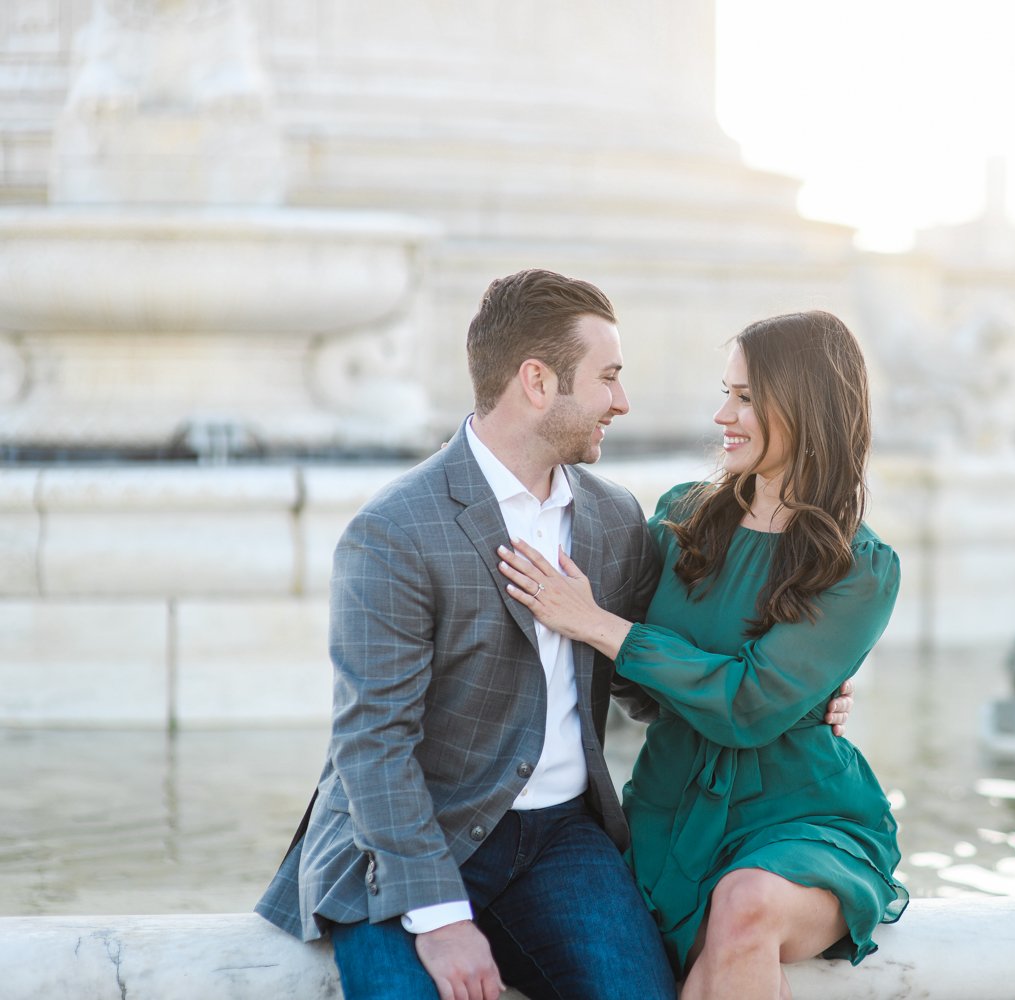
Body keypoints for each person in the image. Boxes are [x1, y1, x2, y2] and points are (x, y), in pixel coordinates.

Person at [253, 270, 853, 1000]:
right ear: (537, 381)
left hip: (562, 842)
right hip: (410, 840)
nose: (622, 402)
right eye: (607, 378)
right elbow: (371, 744)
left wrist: (797, 688)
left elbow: (640, 676)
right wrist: (439, 917)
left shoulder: (614, 520)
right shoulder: (393, 532)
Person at [497, 309, 908, 999]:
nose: (725, 414)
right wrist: (601, 631)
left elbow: (748, 706)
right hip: (670, 810)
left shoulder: (860, 567)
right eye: (728, 391)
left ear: (806, 406)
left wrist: (603, 626)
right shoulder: (681, 518)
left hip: (798, 816)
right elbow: (639, 690)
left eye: (747, 398)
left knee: (744, 904)